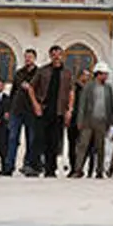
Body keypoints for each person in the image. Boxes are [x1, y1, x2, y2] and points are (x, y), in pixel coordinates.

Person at [29, 45, 73, 178]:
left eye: (59, 54)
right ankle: (35, 167)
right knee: (39, 139)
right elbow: (31, 87)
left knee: (54, 141)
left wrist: (69, 110)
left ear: (62, 55)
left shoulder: (67, 73)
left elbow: (71, 92)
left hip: (59, 111)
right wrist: (35, 105)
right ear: (50, 56)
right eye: (53, 54)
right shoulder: (43, 71)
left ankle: (50, 169)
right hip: (44, 110)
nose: (56, 57)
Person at [0, 48, 38, 176]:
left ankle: (28, 165)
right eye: (26, 57)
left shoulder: (38, 73)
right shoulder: (18, 73)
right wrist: (8, 109)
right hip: (16, 110)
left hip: (31, 111)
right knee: (12, 138)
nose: (28, 59)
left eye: (30, 57)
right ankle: (8, 166)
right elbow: (13, 92)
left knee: (31, 139)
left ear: (34, 58)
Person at [74, 62, 113, 178]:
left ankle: (99, 170)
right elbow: (82, 105)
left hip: (102, 121)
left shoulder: (108, 88)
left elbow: (111, 106)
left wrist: (110, 122)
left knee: (100, 147)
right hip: (88, 121)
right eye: (104, 74)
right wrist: (80, 121)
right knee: (83, 145)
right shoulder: (89, 86)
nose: (106, 77)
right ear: (99, 74)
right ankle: (78, 169)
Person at [66, 68, 91, 177]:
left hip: (85, 120)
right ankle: (73, 168)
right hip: (74, 119)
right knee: (72, 144)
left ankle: (79, 168)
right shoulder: (74, 88)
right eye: (85, 75)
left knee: (82, 145)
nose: (87, 78)